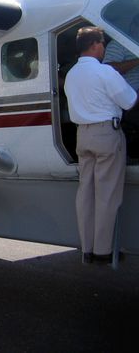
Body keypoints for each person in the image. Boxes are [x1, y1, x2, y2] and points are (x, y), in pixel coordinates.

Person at [64, 26, 137, 264]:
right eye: (102, 44)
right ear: (95, 44)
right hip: (106, 133)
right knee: (106, 194)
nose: (104, 48)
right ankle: (103, 251)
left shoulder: (72, 74)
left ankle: (87, 248)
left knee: (86, 192)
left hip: (82, 136)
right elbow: (129, 101)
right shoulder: (105, 72)